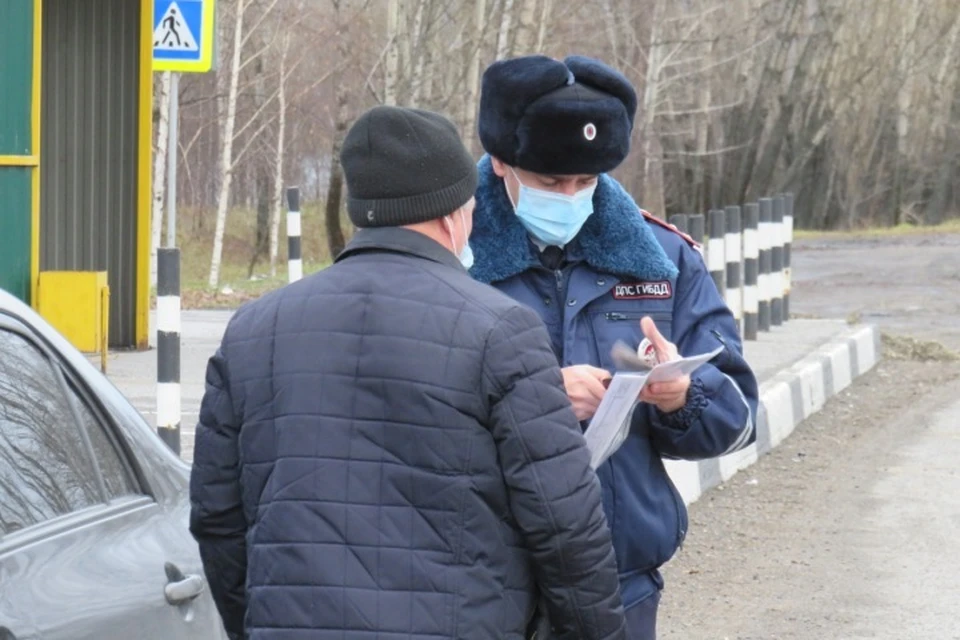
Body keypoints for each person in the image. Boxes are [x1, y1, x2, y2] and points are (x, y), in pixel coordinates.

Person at [188, 105, 627, 640]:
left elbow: (217, 516)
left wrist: (255, 623)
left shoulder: (254, 329)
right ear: (452, 214)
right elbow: (565, 526)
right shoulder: (503, 330)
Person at [467, 54, 760, 639]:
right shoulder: (454, 255)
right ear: (502, 161)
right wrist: (541, 398)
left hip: (619, 579)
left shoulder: (664, 258)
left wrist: (682, 395)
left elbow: (741, 417)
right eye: (551, 182)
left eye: (586, 182)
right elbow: (401, 410)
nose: (571, 196)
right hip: (485, 581)